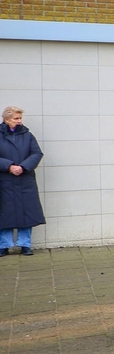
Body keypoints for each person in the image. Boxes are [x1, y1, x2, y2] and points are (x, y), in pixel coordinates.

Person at [0, 106, 45, 256]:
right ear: (6, 120)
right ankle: (3, 245)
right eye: (16, 118)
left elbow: (37, 153)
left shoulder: (28, 135)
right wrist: (9, 166)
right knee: (4, 213)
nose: (19, 121)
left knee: (26, 212)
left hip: (25, 179)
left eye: (20, 118)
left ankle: (25, 244)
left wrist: (23, 167)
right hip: (4, 180)